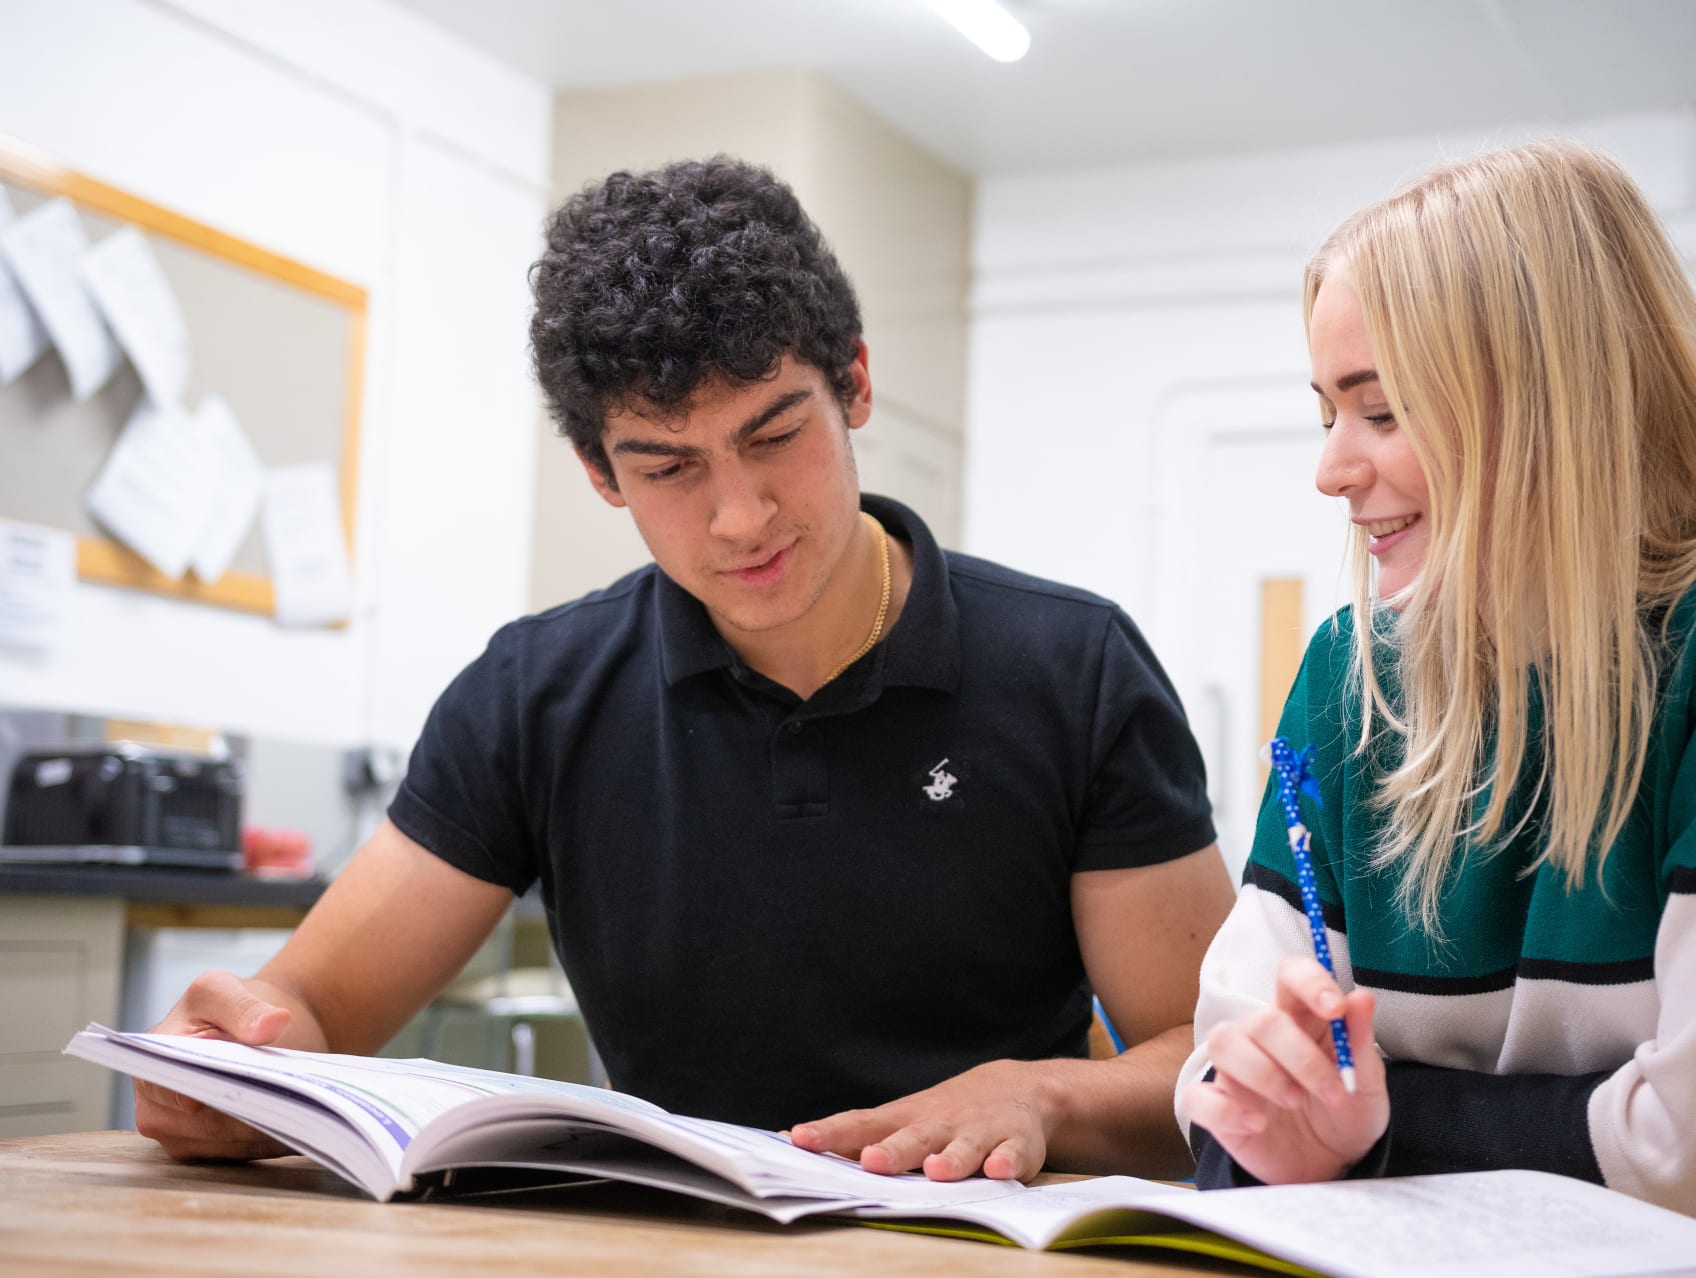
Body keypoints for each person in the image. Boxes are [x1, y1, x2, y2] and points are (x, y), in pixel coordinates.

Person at [138, 157, 1235, 1182]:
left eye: (774, 436)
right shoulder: (535, 697)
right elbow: (312, 1007)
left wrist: (1041, 1095)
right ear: (600, 472)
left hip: (990, 1234)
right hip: (674, 1240)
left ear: (853, 384)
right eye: (668, 467)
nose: (741, 517)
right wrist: (230, 1063)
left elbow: (1210, 1057)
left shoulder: (1071, 667)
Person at [1175, 139, 1696, 1240]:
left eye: (1381, 412)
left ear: (1547, 404)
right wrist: (1280, 1116)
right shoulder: (1351, 669)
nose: (1331, 469)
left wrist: (1372, 1133)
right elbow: (1221, 1086)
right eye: (1326, 413)